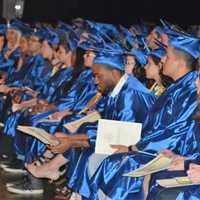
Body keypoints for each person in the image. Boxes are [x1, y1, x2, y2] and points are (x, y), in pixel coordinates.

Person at [86, 32, 199, 200]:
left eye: (166, 56)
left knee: (122, 164)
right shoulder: (177, 88)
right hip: (168, 152)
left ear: (179, 62)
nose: (162, 60)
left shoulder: (187, 91)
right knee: (110, 161)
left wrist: (135, 147)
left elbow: (175, 132)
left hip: (166, 151)